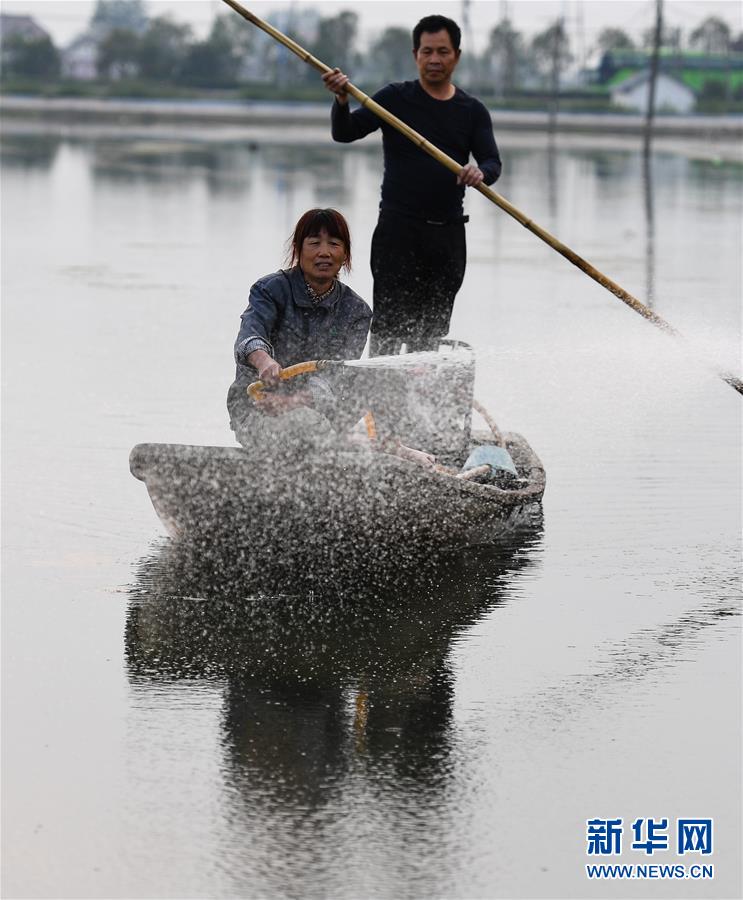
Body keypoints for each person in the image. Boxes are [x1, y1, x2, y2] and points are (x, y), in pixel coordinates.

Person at [322, 15, 502, 355]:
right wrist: (342, 100)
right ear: (416, 54)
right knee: (389, 327)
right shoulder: (394, 99)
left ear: (457, 56)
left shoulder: (472, 111)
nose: (435, 59)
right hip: (398, 232)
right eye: (427, 51)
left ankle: (420, 403)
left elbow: (492, 163)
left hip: (446, 237)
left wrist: (480, 173)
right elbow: (345, 133)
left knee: (428, 336)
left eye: (443, 52)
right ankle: (380, 404)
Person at [226, 207, 436, 467]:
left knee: (384, 376)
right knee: (305, 425)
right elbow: (250, 334)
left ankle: (384, 443)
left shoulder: (357, 312)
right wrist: (264, 362)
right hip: (259, 407)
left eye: (334, 244)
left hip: (318, 407)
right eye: (314, 243)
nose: (324, 252)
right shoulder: (269, 290)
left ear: (345, 254)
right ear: (298, 249)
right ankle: (371, 447)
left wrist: (293, 401)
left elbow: (335, 377)